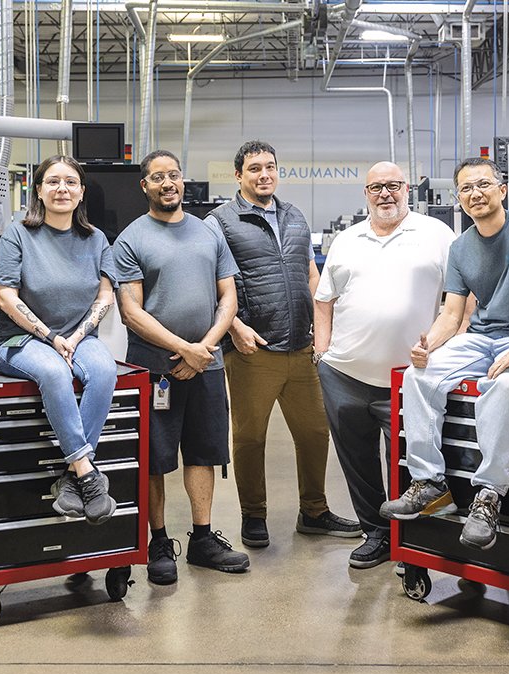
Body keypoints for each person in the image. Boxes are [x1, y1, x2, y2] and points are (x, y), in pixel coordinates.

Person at [380, 157, 509, 552]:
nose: (475, 193)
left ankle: (489, 496)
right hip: (482, 338)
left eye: (483, 184)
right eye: (466, 188)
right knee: (418, 376)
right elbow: (451, 314)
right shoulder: (460, 246)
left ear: (502, 189)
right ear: (458, 197)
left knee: (505, 385)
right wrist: (427, 346)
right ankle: (429, 483)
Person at [205, 140, 361, 549]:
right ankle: (253, 514)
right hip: (253, 348)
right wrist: (234, 328)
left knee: (315, 432)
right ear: (238, 175)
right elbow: (210, 284)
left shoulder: (294, 216)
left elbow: (310, 273)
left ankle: (314, 511)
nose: (264, 174)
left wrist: (321, 329)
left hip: (301, 346)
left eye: (270, 166)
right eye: (254, 168)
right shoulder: (219, 222)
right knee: (250, 437)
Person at [114, 149, 250, 584]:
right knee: (154, 459)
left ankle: (203, 539)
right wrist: (183, 350)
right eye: (157, 177)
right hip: (156, 370)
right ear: (145, 186)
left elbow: (228, 297)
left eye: (173, 175)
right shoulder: (131, 239)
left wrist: (203, 350)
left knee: (204, 452)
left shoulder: (208, 232)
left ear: (182, 180)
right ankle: (157, 542)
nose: (168, 183)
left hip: (207, 366)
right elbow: (131, 312)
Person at [314, 161, 456, 568]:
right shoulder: (347, 240)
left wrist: (446, 352)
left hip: (410, 378)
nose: (385, 194)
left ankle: (410, 542)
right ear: (366, 194)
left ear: (407, 189)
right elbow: (323, 300)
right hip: (344, 374)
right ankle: (376, 534)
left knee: (410, 462)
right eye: (376, 187)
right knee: (357, 462)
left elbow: (461, 301)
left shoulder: (437, 234)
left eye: (393, 185)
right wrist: (321, 354)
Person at [0, 155, 118, 526]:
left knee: (104, 371)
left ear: (81, 192)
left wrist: (75, 336)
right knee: (56, 373)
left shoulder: (96, 239)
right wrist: (51, 336)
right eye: (53, 182)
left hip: (77, 337)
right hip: (20, 341)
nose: (63, 189)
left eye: (71, 182)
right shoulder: (19, 234)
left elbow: (105, 296)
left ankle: (71, 479)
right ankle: (86, 473)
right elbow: (5, 297)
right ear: (39, 190)